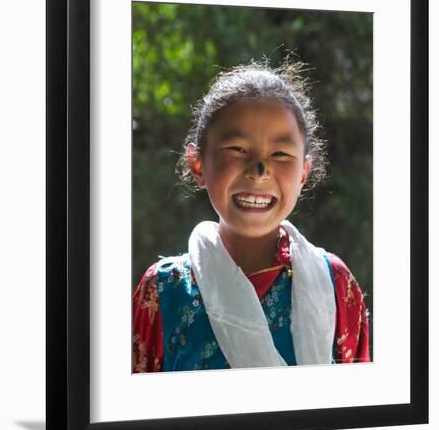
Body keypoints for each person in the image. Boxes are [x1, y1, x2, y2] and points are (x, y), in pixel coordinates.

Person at [132, 59, 370, 373]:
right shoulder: (163, 291)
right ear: (198, 164)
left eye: (280, 154)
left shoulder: (335, 284)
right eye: (237, 149)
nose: (259, 172)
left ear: (303, 172)